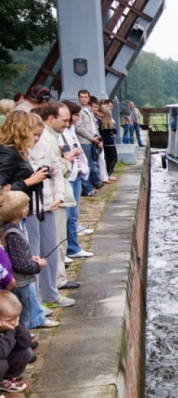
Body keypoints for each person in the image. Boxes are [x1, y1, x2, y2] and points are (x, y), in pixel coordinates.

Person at [26, 110, 75, 309]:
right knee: (33, 253)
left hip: (47, 204)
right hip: (28, 208)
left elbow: (56, 173)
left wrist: (59, 196)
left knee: (51, 250)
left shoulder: (45, 147)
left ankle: (51, 293)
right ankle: (36, 303)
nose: (37, 139)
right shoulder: (17, 151)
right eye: (34, 135)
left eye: (39, 135)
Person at [0, 191, 47, 329]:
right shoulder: (13, 235)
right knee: (22, 317)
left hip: (18, 280)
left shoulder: (8, 229)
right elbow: (20, 264)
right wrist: (37, 265)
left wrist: (29, 258)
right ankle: (20, 338)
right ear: (23, 213)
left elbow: (14, 256)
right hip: (19, 283)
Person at [59, 101, 93, 260]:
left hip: (76, 174)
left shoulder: (70, 131)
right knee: (66, 216)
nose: (77, 118)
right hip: (69, 177)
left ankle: (73, 247)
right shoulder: (61, 133)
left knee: (73, 216)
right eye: (76, 115)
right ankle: (65, 249)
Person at [0, 290, 32, 393]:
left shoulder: (12, 323)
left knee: (25, 352)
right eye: (10, 320)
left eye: (16, 317)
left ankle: (4, 380)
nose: (14, 322)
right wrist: (11, 331)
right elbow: (2, 352)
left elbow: (26, 342)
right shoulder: (10, 328)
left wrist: (17, 327)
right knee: (1, 364)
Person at [76, 90, 102, 195]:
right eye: (82, 97)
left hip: (93, 141)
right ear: (78, 98)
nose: (84, 99)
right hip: (85, 141)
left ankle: (90, 187)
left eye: (86, 97)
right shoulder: (78, 111)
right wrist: (91, 138)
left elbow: (94, 126)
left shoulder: (89, 110)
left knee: (92, 164)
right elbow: (79, 128)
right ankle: (87, 189)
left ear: (89, 98)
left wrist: (98, 138)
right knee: (86, 166)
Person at [99, 100, 118, 181]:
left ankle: (108, 173)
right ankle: (109, 173)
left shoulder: (102, 123)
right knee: (113, 158)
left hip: (105, 142)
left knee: (107, 158)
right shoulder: (107, 123)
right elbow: (114, 131)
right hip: (109, 142)